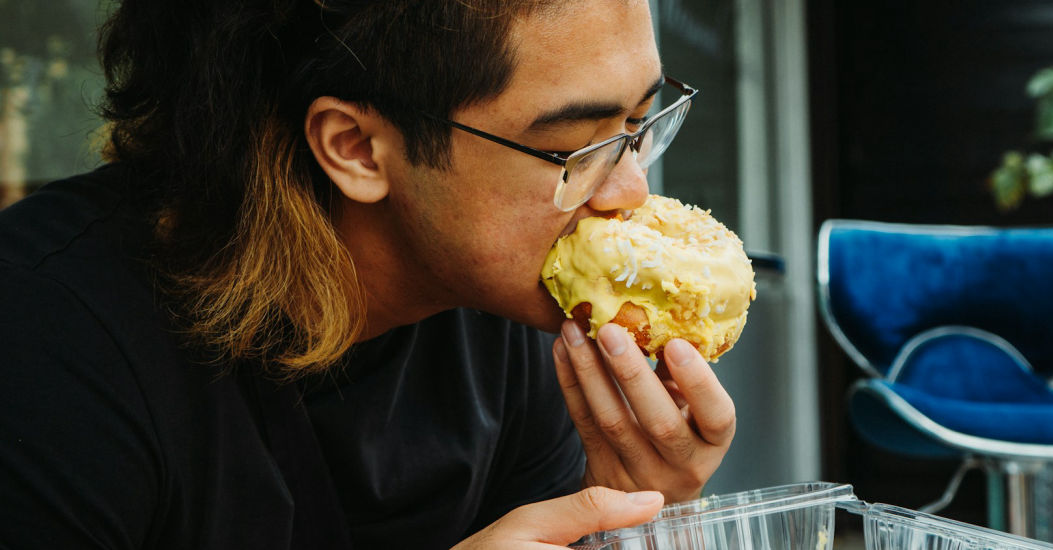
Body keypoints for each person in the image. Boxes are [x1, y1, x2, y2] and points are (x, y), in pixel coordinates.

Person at [0, 1, 736, 548]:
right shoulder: (46, 339)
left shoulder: (511, 315)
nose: (631, 192)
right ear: (354, 147)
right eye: (578, 147)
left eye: (640, 125)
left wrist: (628, 522)